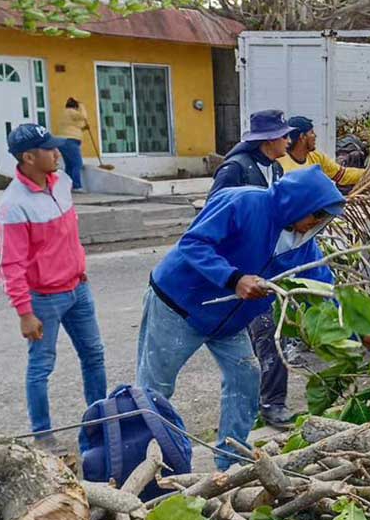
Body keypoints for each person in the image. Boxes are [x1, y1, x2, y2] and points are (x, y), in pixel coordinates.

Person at [136, 168, 347, 465]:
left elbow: (325, 293)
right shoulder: (245, 203)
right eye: (317, 215)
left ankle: (230, 461)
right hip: (179, 305)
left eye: (324, 218)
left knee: (246, 378)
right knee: (155, 389)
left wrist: (355, 333)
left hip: (229, 322)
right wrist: (234, 279)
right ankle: (140, 461)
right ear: (300, 203)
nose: (318, 223)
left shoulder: (305, 249)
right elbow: (193, 243)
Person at [0, 124, 106, 452]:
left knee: (94, 355)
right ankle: (43, 436)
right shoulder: (14, 206)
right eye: (49, 149)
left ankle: (100, 424)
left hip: (77, 289)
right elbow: (11, 265)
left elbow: (68, 237)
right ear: (28, 157)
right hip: (44, 298)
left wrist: (78, 267)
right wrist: (24, 313)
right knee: (41, 366)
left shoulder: (62, 183)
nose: (57, 153)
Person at [209, 109, 290, 197]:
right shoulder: (235, 168)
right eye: (285, 136)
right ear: (271, 139)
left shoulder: (276, 167)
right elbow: (214, 203)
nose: (289, 141)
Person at [279, 116, 364, 191]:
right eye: (312, 132)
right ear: (302, 137)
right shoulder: (280, 163)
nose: (315, 136)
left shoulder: (317, 157)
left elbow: (342, 175)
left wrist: (367, 174)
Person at [58, 98, 89, 190]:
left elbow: (72, 127)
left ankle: (67, 186)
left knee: (69, 165)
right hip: (70, 141)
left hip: (63, 141)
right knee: (77, 164)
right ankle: (76, 186)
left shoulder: (65, 113)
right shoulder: (71, 111)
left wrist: (83, 128)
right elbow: (83, 116)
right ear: (75, 107)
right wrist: (82, 105)